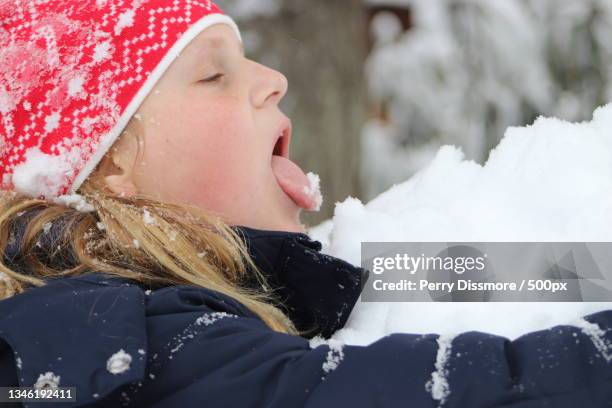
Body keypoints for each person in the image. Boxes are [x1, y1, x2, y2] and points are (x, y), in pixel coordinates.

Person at [0, 1, 610, 407]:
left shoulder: (200, 297)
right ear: (107, 165)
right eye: (214, 77)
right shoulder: (110, 338)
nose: (274, 78)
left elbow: (373, 278)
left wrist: (582, 265)